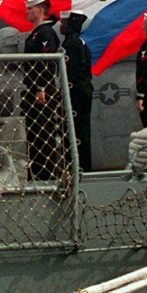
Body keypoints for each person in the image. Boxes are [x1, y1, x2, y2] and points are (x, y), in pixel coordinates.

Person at [21, 0, 65, 181]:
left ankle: (45, 174)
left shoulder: (45, 34)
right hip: (33, 90)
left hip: (42, 91)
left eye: (30, 9)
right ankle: (37, 172)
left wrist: (42, 87)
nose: (27, 12)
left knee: (43, 134)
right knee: (35, 135)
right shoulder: (37, 34)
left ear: (39, 10)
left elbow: (46, 63)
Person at [60, 10, 94, 172]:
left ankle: (77, 168)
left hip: (76, 93)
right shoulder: (81, 42)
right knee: (83, 131)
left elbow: (71, 72)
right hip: (84, 90)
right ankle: (83, 167)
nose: (60, 25)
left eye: (63, 22)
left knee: (75, 132)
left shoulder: (71, 44)